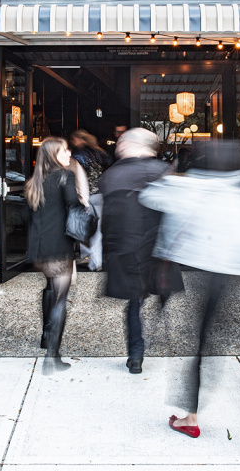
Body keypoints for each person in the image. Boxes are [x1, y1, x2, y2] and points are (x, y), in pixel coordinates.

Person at [139, 140, 240, 439]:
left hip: (212, 280)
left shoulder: (195, 187)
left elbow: (149, 197)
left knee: (203, 349)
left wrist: (170, 176)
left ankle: (190, 417)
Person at [100, 128, 180, 375]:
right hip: (158, 250)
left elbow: (109, 221)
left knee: (135, 303)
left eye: (122, 142)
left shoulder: (112, 175)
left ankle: (136, 354)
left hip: (128, 251)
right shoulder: (164, 172)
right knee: (159, 293)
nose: (118, 146)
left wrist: (107, 252)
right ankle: (159, 332)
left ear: (135, 144)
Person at [25, 136, 83, 373]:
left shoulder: (34, 182)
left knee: (50, 289)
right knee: (60, 298)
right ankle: (52, 356)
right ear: (52, 155)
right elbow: (74, 206)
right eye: (64, 151)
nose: (69, 154)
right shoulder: (64, 176)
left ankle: (45, 336)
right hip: (59, 247)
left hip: (40, 249)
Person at [69, 129, 112, 271]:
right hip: (100, 194)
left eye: (74, 139)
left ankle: (86, 256)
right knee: (97, 229)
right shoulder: (100, 153)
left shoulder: (78, 154)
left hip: (84, 195)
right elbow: (109, 164)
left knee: (80, 225)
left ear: (80, 140)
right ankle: (96, 262)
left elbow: (72, 171)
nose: (73, 142)